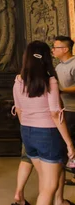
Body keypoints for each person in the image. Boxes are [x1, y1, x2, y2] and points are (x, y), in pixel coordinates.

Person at [13, 41, 75, 205]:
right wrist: (69, 143)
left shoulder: (19, 80)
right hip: (47, 134)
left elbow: (19, 110)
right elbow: (55, 114)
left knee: (44, 181)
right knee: (49, 187)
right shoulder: (50, 81)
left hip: (27, 132)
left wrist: (28, 129)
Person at [52, 36, 75, 186]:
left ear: (65, 49)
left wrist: (61, 90)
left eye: (55, 47)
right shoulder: (59, 66)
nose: (53, 50)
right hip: (65, 109)